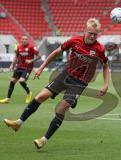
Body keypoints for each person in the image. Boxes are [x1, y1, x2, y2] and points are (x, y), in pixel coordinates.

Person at [3, 18, 110, 149]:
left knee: (60, 109)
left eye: (95, 34)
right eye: (90, 33)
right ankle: (18, 123)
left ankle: (44, 139)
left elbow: (105, 65)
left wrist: (106, 84)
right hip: (65, 75)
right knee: (41, 96)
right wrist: (42, 67)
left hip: (79, 83)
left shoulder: (99, 48)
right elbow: (56, 52)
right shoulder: (74, 41)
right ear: (85, 31)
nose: (92, 36)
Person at [0, 35, 40, 104]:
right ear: (21, 40)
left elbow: (39, 56)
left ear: (27, 40)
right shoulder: (19, 47)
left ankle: (29, 93)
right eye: (23, 39)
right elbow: (16, 57)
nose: (24, 40)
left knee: (21, 81)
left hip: (28, 68)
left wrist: (31, 60)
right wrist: (12, 65)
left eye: (25, 39)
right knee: (12, 81)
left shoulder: (31, 47)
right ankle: (7, 99)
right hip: (19, 67)